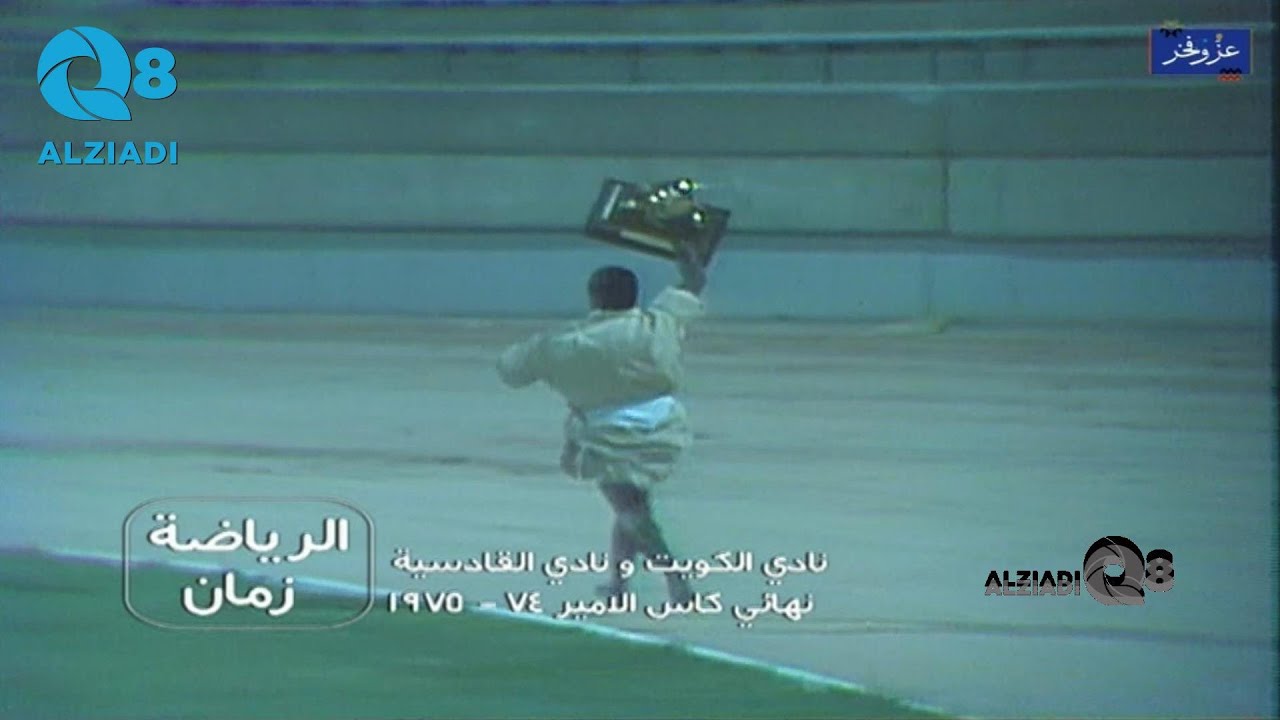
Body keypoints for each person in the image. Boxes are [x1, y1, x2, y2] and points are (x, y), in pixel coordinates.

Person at [496, 243, 709, 604]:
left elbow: (510, 370)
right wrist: (690, 261)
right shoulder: (658, 322)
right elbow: (692, 286)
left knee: (629, 510)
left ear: (593, 297)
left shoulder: (566, 343)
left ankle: (676, 580)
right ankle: (619, 584)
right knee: (633, 503)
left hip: (608, 432)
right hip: (664, 424)